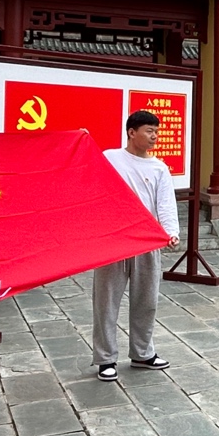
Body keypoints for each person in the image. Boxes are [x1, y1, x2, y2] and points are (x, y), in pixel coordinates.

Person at [93, 110, 180, 382]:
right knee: (106, 302)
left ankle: (142, 353)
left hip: (146, 240)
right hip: (113, 240)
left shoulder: (159, 168)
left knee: (146, 301)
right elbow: (87, 176)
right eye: (149, 131)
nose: (155, 136)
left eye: (157, 132)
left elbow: (165, 203)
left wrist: (171, 232)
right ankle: (105, 359)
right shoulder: (109, 158)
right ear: (132, 132)